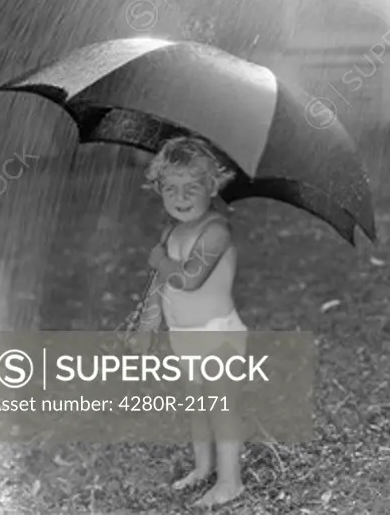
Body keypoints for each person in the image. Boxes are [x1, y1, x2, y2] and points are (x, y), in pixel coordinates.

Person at [130, 135, 248, 507]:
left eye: (191, 188)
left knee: (220, 407)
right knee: (198, 407)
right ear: (158, 189)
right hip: (185, 337)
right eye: (171, 189)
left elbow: (190, 278)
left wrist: (161, 262)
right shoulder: (171, 232)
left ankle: (231, 482)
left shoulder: (216, 231)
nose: (180, 198)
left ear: (212, 187)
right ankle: (203, 467)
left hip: (217, 337)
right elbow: (158, 286)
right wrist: (147, 325)